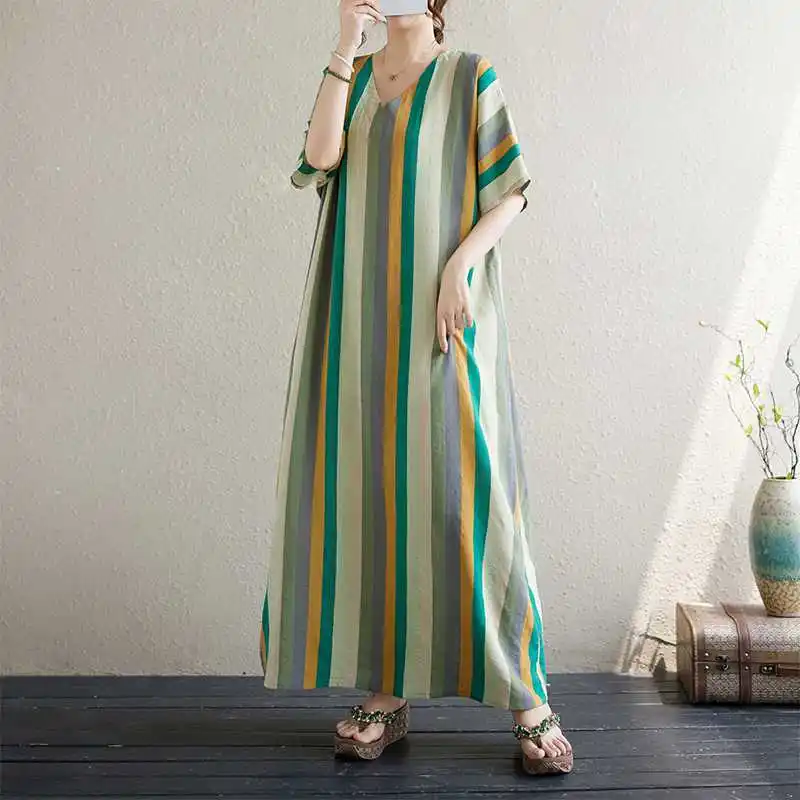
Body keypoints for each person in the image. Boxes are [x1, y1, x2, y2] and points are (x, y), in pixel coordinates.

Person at [259, 0, 574, 777]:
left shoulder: (469, 77)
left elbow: (512, 191)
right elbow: (317, 161)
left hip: (443, 314)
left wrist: (460, 263)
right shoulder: (358, 75)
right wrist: (345, 43)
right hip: (358, 318)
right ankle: (388, 692)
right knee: (377, 498)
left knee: (471, 493)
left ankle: (527, 694)